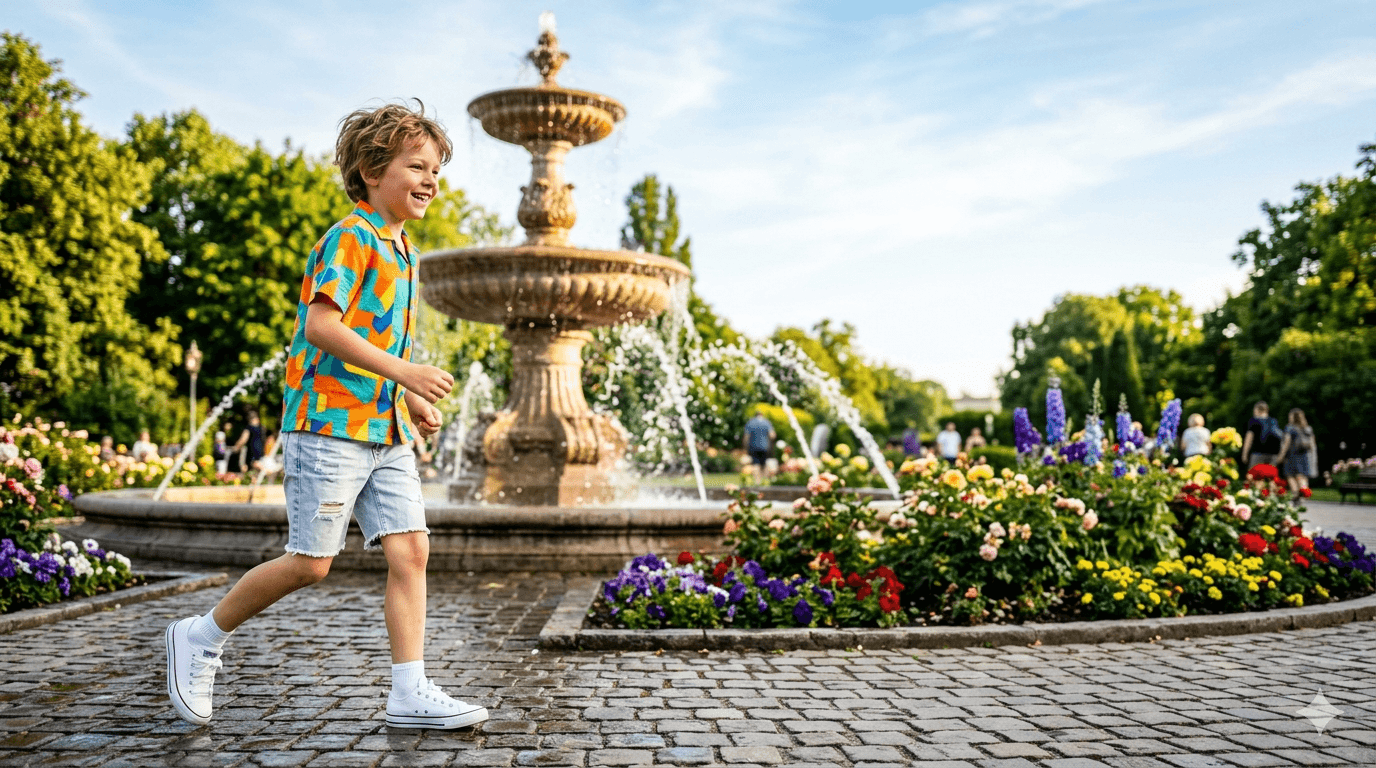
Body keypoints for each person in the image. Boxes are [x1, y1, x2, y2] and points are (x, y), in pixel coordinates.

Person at [164, 102, 487, 731]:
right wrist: (406, 374)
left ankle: (408, 689)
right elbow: (321, 327)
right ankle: (200, 636)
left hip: (383, 429)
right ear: (371, 170)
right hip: (327, 425)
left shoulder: (405, 252)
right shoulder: (352, 237)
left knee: (411, 551)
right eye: (416, 166)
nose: (431, 180)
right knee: (312, 563)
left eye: (437, 170)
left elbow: (380, 347)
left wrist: (409, 396)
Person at [1277, 408, 1315, 496]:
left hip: (1292, 456)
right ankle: (1304, 493)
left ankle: (1296, 495)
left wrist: (1281, 456)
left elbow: (1286, 443)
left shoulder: (1290, 428)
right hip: (1304, 456)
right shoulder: (1307, 428)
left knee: (1290, 476)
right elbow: (1312, 444)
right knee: (1302, 477)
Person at [1242, 401, 1283, 469]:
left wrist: (1244, 454)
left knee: (1253, 477)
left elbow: (1249, 438)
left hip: (1258, 454)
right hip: (1273, 455)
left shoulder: (1254, 421)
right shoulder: (1274, 421)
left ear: (1258, 410)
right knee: (1270, 477)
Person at [743, 409, 775, 479]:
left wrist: (745, 446)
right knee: (765, 464)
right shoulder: (766, 422)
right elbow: (772, 435)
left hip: (753, 447)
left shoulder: (750, 422)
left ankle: (757, 481)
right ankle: (765, 480)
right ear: (762, 415)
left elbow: (746, 436)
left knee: (755, 464)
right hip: (765, 447)